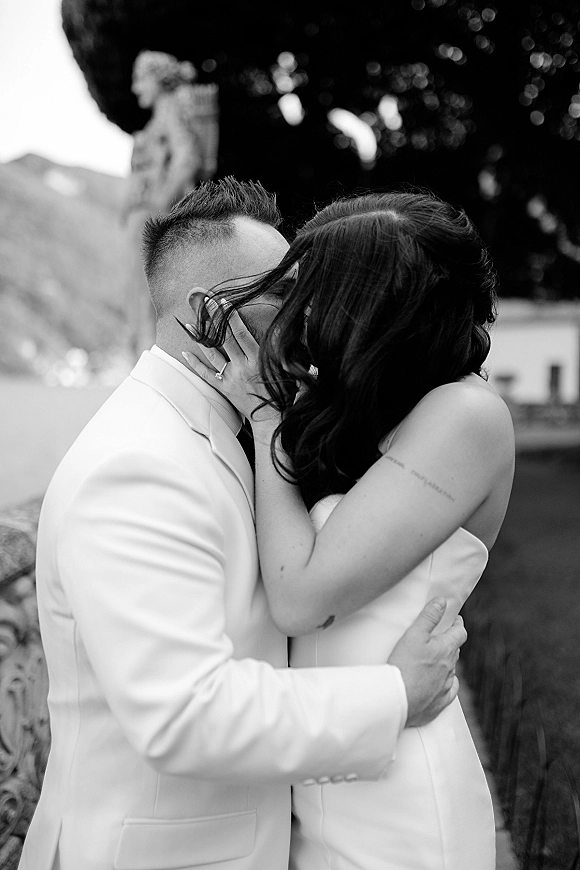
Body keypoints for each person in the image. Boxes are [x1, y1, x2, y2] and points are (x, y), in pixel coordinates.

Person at [19, 179, 466, 870]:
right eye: (283, 294)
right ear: (212, 318)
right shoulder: (137, 465)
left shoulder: (242, 424)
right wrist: (394, 694)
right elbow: (187, 715)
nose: (308, 312)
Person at [183, 189, 516, 870]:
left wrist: (269, 416)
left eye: (314, 291)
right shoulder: (370, 411)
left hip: (402, 799)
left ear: (372, 308)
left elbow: (301, 595)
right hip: (329, 766)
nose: (296, 315)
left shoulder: (466, 414)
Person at [122, 50, 219, 358]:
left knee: (147, 297)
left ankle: (148, 361)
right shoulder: (162, 117)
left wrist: (158, 206)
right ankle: (145, 358)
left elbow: (187, 159)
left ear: (159, 81)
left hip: (150, 218)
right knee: (141, 297)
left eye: (141, 79)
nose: (136, 87)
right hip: (144, 217)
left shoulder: (169, 114)